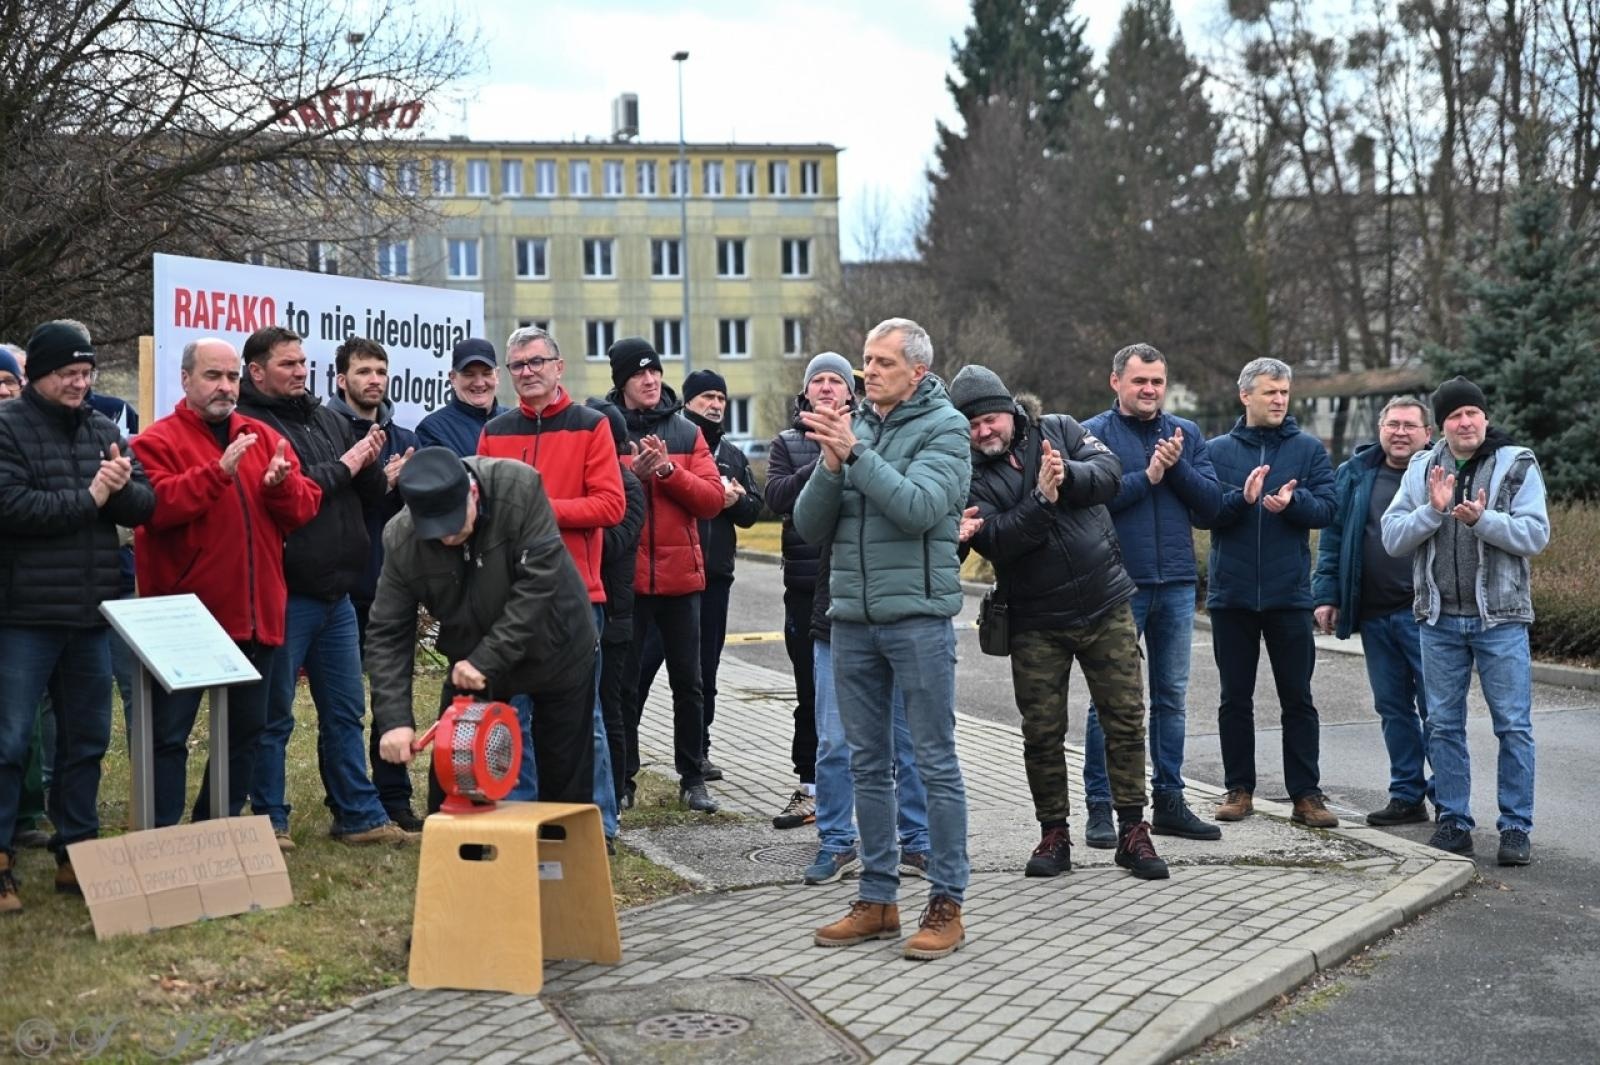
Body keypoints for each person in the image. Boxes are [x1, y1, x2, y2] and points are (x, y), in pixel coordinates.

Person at [795, 317, 972, 961]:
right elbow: (809, 525)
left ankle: (946, 902)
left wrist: (856, 456)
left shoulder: (947, 427)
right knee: (866, 764)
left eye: (883, 362)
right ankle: (877, 899)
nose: (868, 371)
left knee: (933, 761)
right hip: (851, 620)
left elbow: (920, 508)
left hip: (918, 619)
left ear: (917, 372)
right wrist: (830, 464)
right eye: (866, 360)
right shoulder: (856, 427)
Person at [953, 364, 1169, 882]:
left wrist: (1066, 475)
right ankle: (1054, 833)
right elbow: (997, 540)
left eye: (990, 419)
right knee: (1042, 732)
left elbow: (1109, 475)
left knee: (1125, 720)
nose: (984, 431)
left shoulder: (1061, 430)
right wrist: (1042, 500)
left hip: (1105, 603)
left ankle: (1133, 831)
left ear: (1010, 410)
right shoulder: (966, 474)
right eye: (973, 425)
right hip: (1035, 620)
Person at [134, 338, 322, 831]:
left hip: (254, 615)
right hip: (184, 619)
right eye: (213, 376)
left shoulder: (261, 436)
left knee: (245, 733)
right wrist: (216, 473)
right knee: (168, 735)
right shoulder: (156, 441)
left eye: (232, 377)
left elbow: (305, 507)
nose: (225, 387)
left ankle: (216, 829)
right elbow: (156, 507)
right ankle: (159, 835)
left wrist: (281, 487)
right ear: (185, 379)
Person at [0, 322, 155, 911]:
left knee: (87, 738)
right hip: (23, 615)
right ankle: (1, 860)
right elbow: (12, 506)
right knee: (10, 740)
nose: (80, 383)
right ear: (39, 373)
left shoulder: (102, 428)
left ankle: (77, 851)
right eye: (69, 373)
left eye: (87, 373)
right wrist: (91, 498)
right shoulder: (6, 427)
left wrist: (120, 488)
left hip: (90, 614)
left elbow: (144, 505)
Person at [237, 326, 406, 847]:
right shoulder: (249, 426)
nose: (299, 371)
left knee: (345, 711)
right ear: (256, 371)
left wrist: (375, 463)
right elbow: (298, 491)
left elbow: (366, 491)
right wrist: (350, 463)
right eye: (287, 364)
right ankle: (270, 818)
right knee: (274, 715)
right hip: (286, 591)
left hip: (337, 593)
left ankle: (358, 815)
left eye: (302, 362)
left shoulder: (326, 417)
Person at [367, 448, 597, 809]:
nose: (447, 539)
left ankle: (562, 844)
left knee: (564, 779)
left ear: (472, 493)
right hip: (472, 659)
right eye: (435, 532)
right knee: (455, 768)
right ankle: (460, 845)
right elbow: (388, 632)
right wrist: (394, 719)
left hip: (556, 644)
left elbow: (538, 586)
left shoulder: (518, 487)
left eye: (454, 524)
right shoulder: (401, 539)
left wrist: (487, 659)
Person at [1382, 376, 1550, 865]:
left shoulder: (1516, 463)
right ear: (1441, 426)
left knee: (1513, 726)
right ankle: (1454, 822)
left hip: (1501, 618)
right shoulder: (1422, 467)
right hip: (1438, 620)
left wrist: (1482, 520)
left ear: (1485, 417)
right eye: (1455, 415)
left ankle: (1515, 827)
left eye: (1472, 412)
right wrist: (1432, 512)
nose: (1465, 422)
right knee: (1442, 725)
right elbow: (1393, 538)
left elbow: (1535, 535)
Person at [479, 327, 624, 836]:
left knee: (583, 718)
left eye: (537, 361)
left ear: (558, 367)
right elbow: (483, 509)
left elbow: (610, 505)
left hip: (575, 597)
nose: (528, 372)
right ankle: (523, 824)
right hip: (510, 599)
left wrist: (537, 509)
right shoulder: (495, 431)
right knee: (512, 716)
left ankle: (597, 825)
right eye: (518, 365)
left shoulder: (592, 425)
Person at [1081, 343, 1222, 845]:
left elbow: (1211, 508)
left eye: (1157, 382)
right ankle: (1101, 806)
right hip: (1118, 584)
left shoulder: (1186, 434)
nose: (1149, 390)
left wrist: (1177, 467)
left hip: (1178, 583)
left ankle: (1169, 801)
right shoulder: (1092, 434)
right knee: (1109, 700)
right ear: (1115, 381)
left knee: (1171, 699)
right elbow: (1091, 504)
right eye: (1139, 381)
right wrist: (1150, 476)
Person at [1201, 357, 1338, 827]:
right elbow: (1204, 512)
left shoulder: (1308, 449)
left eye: (1284, 392)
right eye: (1270, 392)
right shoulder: (1217, 451)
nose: (1279, 400)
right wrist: (1243, 499)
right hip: (1232, 595)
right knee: (1234, 698)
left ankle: (1306, 795)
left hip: (1289, 595)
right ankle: (1239, 789)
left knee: (1297, 697)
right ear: (1246, 396)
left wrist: (1292, 503)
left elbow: (1328, 508)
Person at [604, 337, 726, 813]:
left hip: (681, 581)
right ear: (622, 381)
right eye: (639, 373)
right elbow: (601, 495)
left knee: (688, 684)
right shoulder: (605, 428)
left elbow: (711, 500)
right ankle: (624, 778)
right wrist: (633, 474)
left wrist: (669, 471)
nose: (650, 379)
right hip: (628, 581)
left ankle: (693, 778)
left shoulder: (686, 431)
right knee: (624, 685)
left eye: (654, 370)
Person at [1313, 396, 1434, 826]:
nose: (1400, 432)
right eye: (1392, 424)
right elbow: (1333, 538)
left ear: (1427, 434)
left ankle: (1449, 798)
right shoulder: (1355, 473)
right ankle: (1407, 796)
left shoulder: (1440, 472)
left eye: (1409, 425)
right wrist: (1326, 594)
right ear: (1381, 429)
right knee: (1393, 709)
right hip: (1375, 615)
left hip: (1427, 617)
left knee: (1437, 711)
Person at [637, 369, 761, 781]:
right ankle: (626, 748)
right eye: (707, 397)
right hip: (667, 580)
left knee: (702, 673)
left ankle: (698, 751)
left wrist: (733, 501)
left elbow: (753, 511)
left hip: (714, 579)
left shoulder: (732, 454)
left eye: (721, 398)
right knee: (641, 668)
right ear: (688, 402)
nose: (716, 404)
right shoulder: (671, 440)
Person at [326, 336, 423, 830]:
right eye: (364, 371)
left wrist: (409, 485)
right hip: (341, 589)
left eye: (381, 372)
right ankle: (345, 801)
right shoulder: (327, 434)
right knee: (342, 707)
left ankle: (394, 797)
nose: (374, 380)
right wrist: (378, 482)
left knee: (392, 699)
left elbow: (423, 514)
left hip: (393, 588)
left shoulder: (404, 438)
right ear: (341, 379)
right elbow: (326, 502)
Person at [765, 352, 855, 829]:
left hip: (856, 581)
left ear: (850, 393)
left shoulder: (867, 435)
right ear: (805, 393)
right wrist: (823, 461)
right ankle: (811, 788)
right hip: (804, 588)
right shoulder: (786, 443)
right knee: (811, 693)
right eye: (817, 380)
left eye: (834, 380)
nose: (825, 387)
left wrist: (846, 448)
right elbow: (776, 496)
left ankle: (874, 788)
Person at [587, 398, 647, 810]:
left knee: (612, 706)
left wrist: (568, 523)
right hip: (587, 613)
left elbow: (612, 544)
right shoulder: (591, 483)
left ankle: (619, 787)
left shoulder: (628, 487)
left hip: (613, 616)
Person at [414, 338, 507, 455]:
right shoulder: (433, 430)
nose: (479, 383)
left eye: (486, 374)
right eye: (469, 374)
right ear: (452, 378)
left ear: (497, 375)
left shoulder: (516, 422)